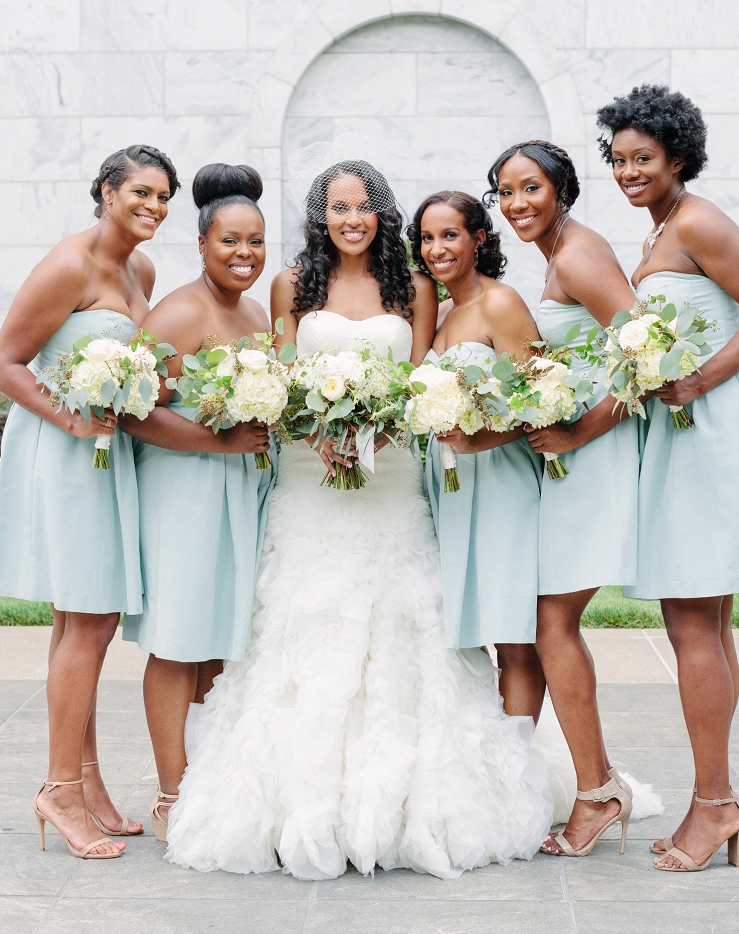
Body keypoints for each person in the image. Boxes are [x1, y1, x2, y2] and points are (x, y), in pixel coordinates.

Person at [164, 151, 554, 881]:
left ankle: (410, 799)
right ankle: (294, 804)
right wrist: (322, 434)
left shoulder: (411, 285)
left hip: (392, 474)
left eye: (362, 206)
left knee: (402, 618)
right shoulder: (288, 283)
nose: (350, 220)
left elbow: (417, 378)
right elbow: (274, 383)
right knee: (301, 619)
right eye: (336, 208)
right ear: (320, 217)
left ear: (381, 212)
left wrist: (374, 432)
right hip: (311, 477)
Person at [600, 85, 739, 872]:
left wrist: (695, 383)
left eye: (643, 158)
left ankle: (716, 805)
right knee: (707, 624)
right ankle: (714, 800)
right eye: (619, 159)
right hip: (693, 441)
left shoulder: (696, 221)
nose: (628, 171)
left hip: (710, 438)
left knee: (693, 624)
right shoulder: (666, 228)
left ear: (679, 158)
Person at [0, 144, 180, 858]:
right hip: (64, 450)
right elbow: (4, 363)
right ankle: (58, 789)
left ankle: (87, 783)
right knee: (90, 620)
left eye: (164, 198)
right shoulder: (69, 264)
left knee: (80, 619)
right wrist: (70, 418)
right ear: (105, 190)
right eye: (141, 193)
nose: (153, 207)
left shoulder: (142, 269)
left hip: (107, 449)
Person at [487, 140, 645, 858]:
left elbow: (651, 349)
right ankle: (586, 784)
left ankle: (597, 791)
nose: (517, 203)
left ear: (562, 190)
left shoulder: (579, 254)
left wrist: (581, 432)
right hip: (569, 468)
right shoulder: (557, 257)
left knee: (553, 625)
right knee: (548, 623)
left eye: (530, 188)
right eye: (506, 192)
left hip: (595, 463)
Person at [121, 163, 274, 841]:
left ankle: (212, 777)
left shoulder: (256, 311)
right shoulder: (179, 311)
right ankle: (171, 792)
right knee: (179, 639)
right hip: (184, 490)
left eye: (256, 242)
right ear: (203, 244)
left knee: (220, 638)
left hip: (239, 491)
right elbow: (128, 409)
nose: (245, 254)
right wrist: (219, 445)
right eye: (230, 242)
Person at [408, 190, 545, 697]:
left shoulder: (500, 303)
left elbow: (544, 401)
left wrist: (478, 437)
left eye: (449, 235)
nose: (436, 248)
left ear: (478, 238)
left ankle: (519, 764)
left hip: (500, 480)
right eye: (426, 237)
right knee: (469, 627)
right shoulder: (440, 312)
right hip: (448, 485)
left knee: (512, 633)